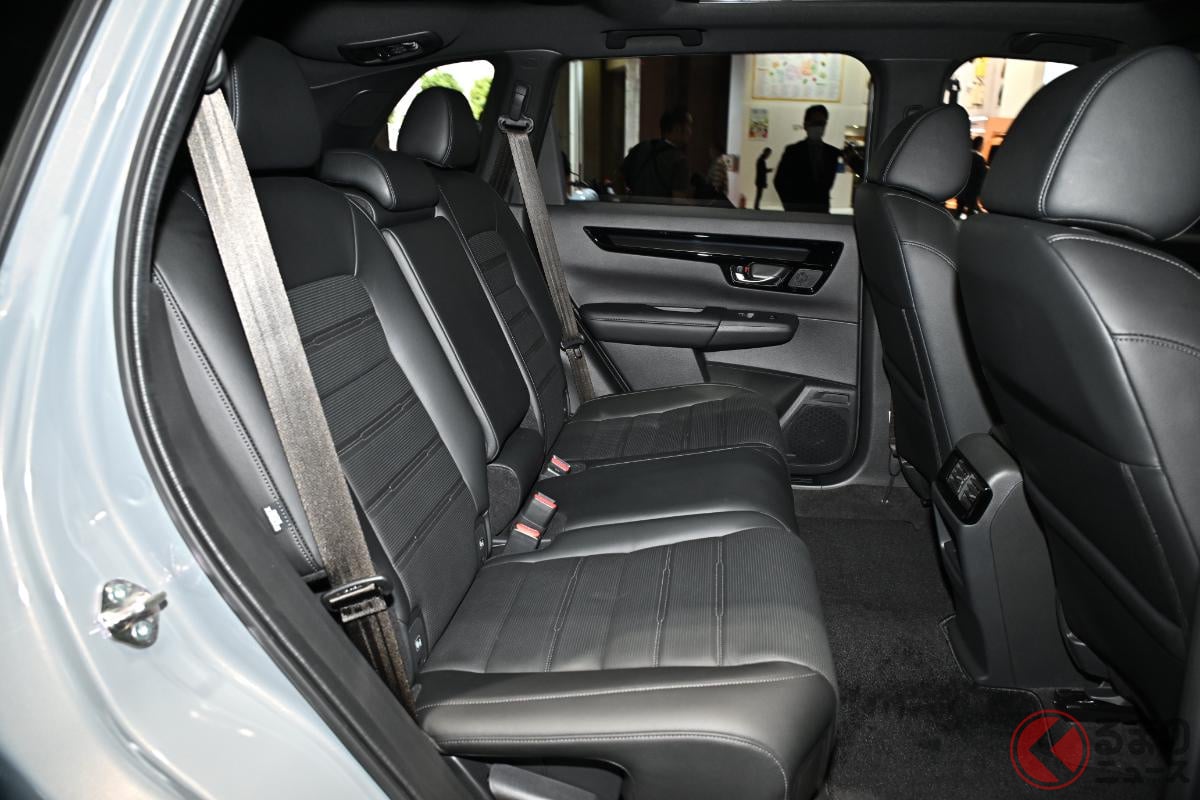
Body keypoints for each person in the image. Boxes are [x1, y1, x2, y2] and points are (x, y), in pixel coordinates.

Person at [773, 105, 841, 213]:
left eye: (821, 123)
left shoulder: (832, 153)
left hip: (822, 210)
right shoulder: (793, 151)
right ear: (806, 125)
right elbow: (779, 181)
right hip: (797, 209)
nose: (818, 127)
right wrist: (790, 205)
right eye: (814, 123)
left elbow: (826, 184)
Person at [622, 108, 693, 199]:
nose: (690, 132)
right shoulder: (679, 161)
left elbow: (618, 177)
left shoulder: (641, 147)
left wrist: (624, 199)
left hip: (633, 206)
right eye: (689, 126)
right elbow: (679, 200)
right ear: (677, 128)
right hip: (662, 208)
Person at [956, 135, 989, 216]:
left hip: (962, 189)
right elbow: (982, 176)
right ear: (980, 145)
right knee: (970, 212)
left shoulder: (965, 156)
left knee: (959, 210)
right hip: (972, 191)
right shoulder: (980, 159)